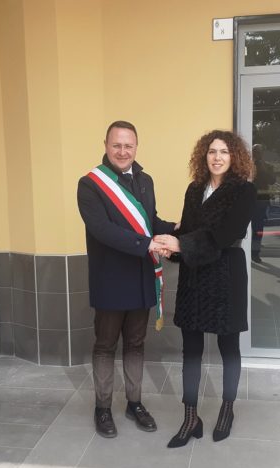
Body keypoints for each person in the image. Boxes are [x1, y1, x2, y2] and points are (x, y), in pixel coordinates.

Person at [153, 130, 256, 447]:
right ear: (204, 155)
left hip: (227, 275)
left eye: (224, 151)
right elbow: (187, 230)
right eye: (212, 151)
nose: (217, 157)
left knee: (229, 348)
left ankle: (227, 409)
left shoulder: (245, 190)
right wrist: (171, 246)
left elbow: (227, 234)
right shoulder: (194, 188)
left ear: (234, 156)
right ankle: (190, 417)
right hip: (195, 276)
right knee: (192, 350)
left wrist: (181, 244)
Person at [77, 121, 176, 439]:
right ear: (106, 145)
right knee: (106, 345)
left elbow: (150, 222)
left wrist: (177, 229)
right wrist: (148, 244)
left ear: (136, 147)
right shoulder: (90, 184)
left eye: (128, 145)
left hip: (141, 276)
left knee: (135, 343)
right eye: (117, 145)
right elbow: (102, 230)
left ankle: (135, 403)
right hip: (110, 278)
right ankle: (103, 408)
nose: (123, 151)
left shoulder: (145, 180)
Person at [251, 144, 275, 263]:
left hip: (261, 200)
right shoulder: (247, 165)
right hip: (248, 200)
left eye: (259, 152)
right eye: (255, 151)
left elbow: (272, 180)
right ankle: (250, 252)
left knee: (258, 228)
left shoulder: (267, 166)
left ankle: (255, 253)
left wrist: (264, 168)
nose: (257, 154)